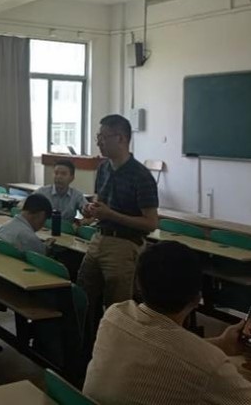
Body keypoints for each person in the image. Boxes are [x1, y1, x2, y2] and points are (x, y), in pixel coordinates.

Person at [83, 241, 251, 404]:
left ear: (138, 285)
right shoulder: (209, 366)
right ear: (197, 299)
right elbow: (182, 356)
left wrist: (221, 343)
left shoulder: (114, 315)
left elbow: (161, 350)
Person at [77, 114, 158, 355]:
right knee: (83, 295)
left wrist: (111, 214)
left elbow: (150, 223)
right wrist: (91, 210)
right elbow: (100, 202)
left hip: (124, 245)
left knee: (116, 308)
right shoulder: (103, 168)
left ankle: (116, 356)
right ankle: (86, 352)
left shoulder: (141, 176)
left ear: (121, 138)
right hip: (99, 238)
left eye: (103, 137)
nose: (98, 142)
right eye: (98, 137)